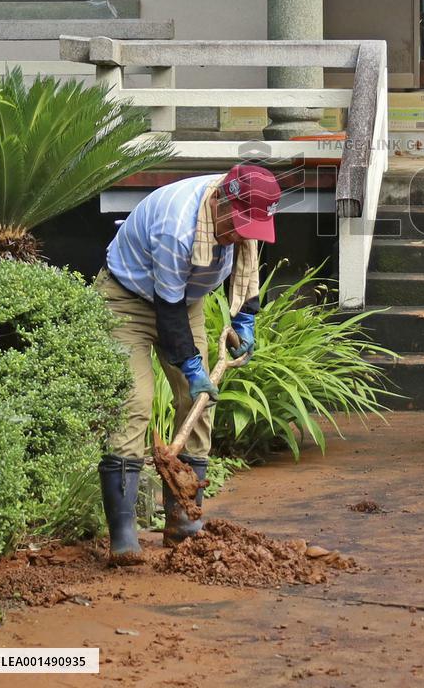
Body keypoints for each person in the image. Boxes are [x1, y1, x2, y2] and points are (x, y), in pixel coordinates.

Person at [95, 164, 281, 564]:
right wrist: (193, 369)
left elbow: (246, 269)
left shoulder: (243, 214)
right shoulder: (175, 226)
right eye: (239, 224)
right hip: (127, 300)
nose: (242, 234)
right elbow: (168, 308)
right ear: (220, 201)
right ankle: (124, 534)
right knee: (136, 404)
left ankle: (183, 517)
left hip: (186, 301)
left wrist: (246, 317)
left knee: (200, 405)